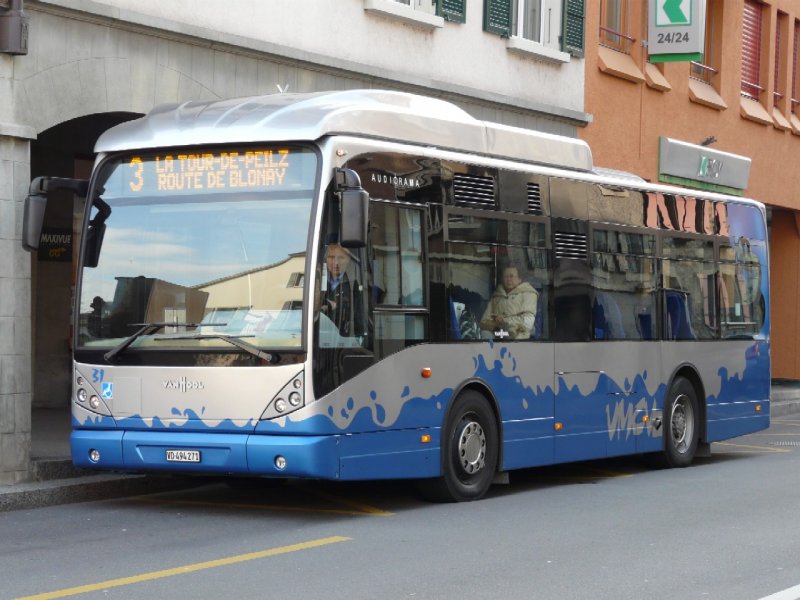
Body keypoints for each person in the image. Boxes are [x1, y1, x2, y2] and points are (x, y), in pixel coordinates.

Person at [480, 264, 538, 340]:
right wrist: (496, 323)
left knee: (512, 335)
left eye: (511, 276)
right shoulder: (497, 295)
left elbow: (528, 321)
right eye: (506, 277)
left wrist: (504, 321)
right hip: (499, 332)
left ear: (519, 279)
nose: (508, 279)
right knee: (485, 334)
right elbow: (483, 321)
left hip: (519, 333)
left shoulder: (528, 293)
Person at [321, 242, 365, 337]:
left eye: (341, 258)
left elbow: (358, 319)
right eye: (331, 257)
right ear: (325, 259)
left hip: (342, 340)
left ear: (348, 260)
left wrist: (335, 307)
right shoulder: (317, 281)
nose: (336, 263)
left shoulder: (355, 286)